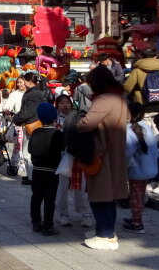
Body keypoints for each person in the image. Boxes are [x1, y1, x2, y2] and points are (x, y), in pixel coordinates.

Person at [77, 65, 129, 251]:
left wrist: (77, 121)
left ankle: (105, 236)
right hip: (116, 151)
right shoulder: (120, 98)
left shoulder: (104, 99)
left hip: (101, 153)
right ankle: (106, 231)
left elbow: (86, 123)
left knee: (100, 195)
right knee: (109, 196)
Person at [54, 94, 92, 229]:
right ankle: (63, 214)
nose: (65, 105)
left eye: (67, 103)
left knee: (83, 186)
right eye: (62, 103)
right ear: (57, 105)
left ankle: (86, 214)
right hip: (63, 157)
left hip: (78, 155)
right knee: (62, 187)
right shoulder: (54, 119)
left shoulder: (78, 117)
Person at [28, 102, 64, 236]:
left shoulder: (35, 132)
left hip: (37, 170)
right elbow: (62, 148)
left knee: (36, 197)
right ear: (55, 118)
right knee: (50, 199)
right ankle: (48, 226)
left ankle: (36, 222)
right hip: (51, 171)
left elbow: (30, 149)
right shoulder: (57, 134)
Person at [125, 102, 158, 233]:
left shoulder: (130, 130)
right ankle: (136, 218)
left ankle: (137, 223)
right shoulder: (147, 127)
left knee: (135, 196)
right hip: (148, 168)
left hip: (137, 169)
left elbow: (127, 152)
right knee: (139, 195)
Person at [13, 72, 46, 185]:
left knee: (27, 152)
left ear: (29, 82)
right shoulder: (34, 92)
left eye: (24, 81)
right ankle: (31, 175)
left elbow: (29, 111)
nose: (21, 83)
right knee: (29, 151)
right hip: (31, 124)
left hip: (32, 125)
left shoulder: (34, 94)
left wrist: (17, 119)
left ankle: (32, 177)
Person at [124, 48, 159, 113]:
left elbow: (127, 87)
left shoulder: (137, 71)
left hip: (143, 104)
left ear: (142, 57)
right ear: (155, 57)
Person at [1, 77, 26, 171]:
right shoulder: (14, 94)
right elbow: (8, 104)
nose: (19, 84)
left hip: (29, 124)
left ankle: (24, 162)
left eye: (21, 82)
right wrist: (7, 110)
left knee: (27, 146)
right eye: (18, 82)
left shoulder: (30, 94)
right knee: (18, 145)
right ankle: (14, 163)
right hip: (18, 123)